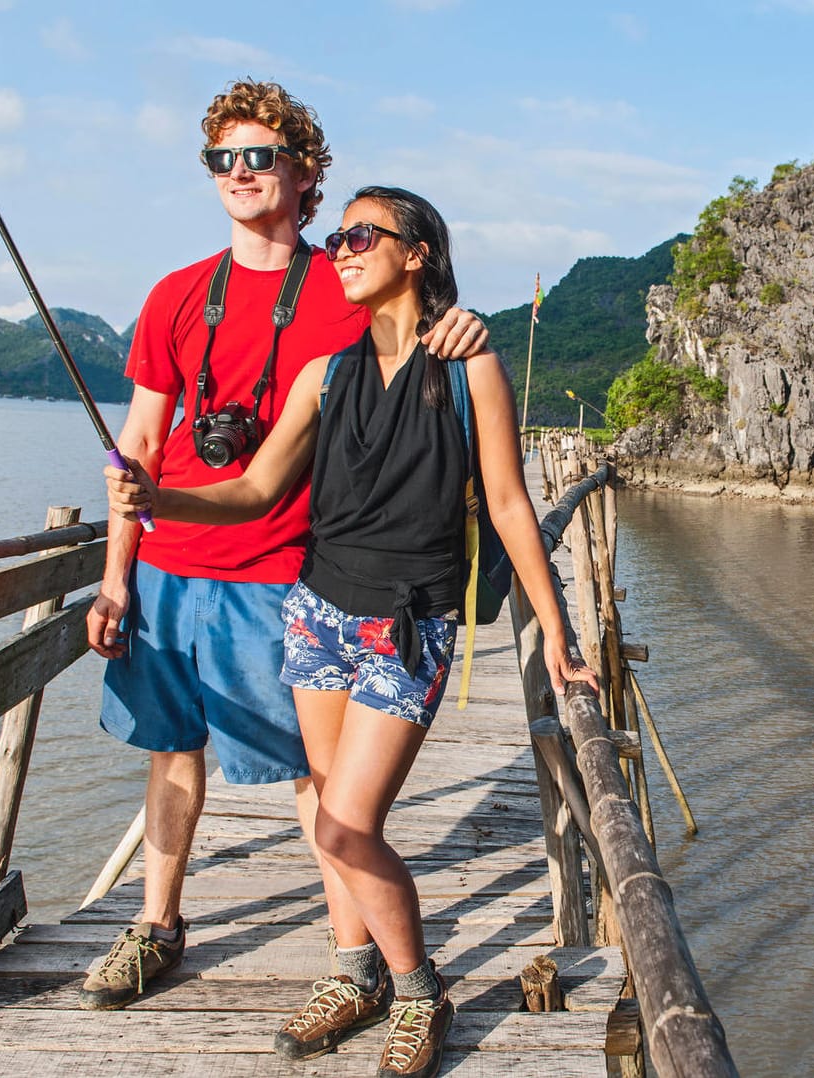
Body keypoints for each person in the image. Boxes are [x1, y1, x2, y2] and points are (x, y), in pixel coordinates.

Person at [106, 185, 595, 1076]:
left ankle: (418, 991)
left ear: (416, 255)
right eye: (338, 236)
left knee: (342, 825)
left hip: (407, 623)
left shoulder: (467, 364)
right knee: (328, 807)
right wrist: (158, 499)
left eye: (363, 234)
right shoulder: (323, 374)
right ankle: (356, 971)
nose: (342, 246)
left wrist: (556, 631)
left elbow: (512, 506)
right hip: (318, 613)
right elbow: (253, 490)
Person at [79, 80, 489, 1016]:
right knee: (170, 751)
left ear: (307, 173)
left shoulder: (346, 280)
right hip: (168, 567)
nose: (238, 173)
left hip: (286, 573)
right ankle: (157, 926)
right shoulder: (177, 294)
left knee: (317, 782)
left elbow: (425, 339)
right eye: (221, 159)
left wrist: (468, 327)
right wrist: (113, 582)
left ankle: (352, 958)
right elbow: (136, 449)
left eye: (259, 156)